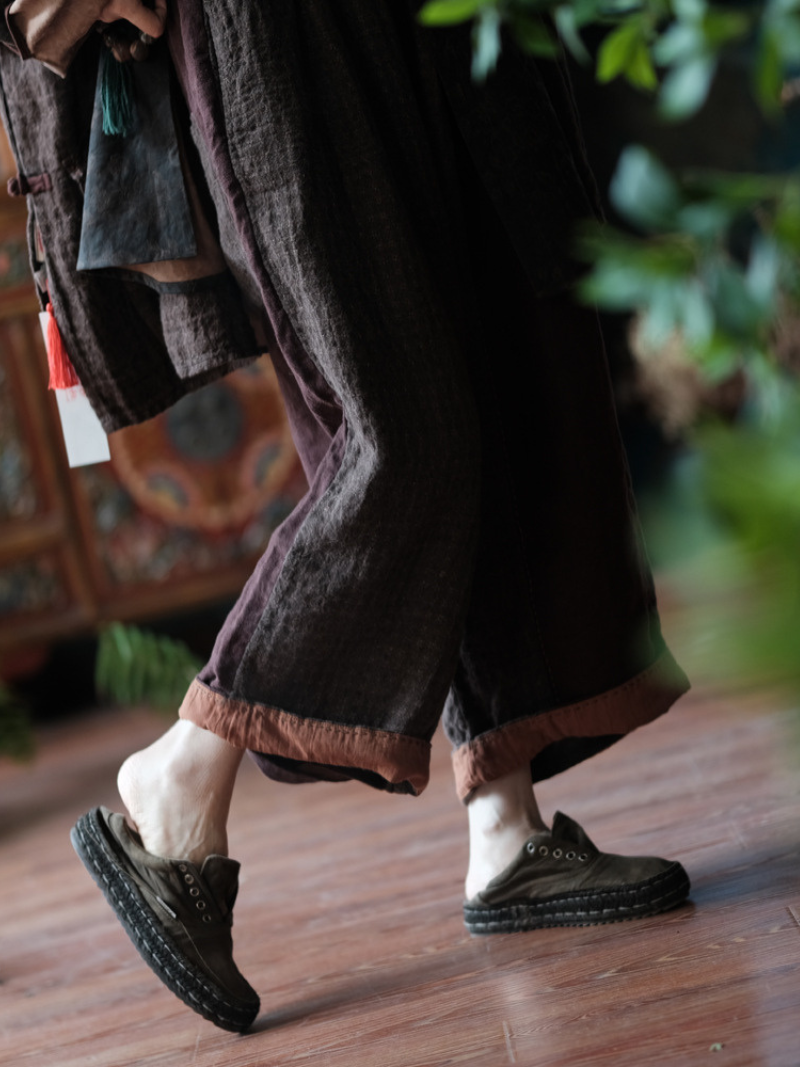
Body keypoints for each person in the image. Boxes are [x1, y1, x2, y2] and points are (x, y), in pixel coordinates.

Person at [0, 0, 691, 1034]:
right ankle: (180, 774)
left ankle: (505, 826)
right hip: (274, 33)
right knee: (401, 426)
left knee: (514, 349)